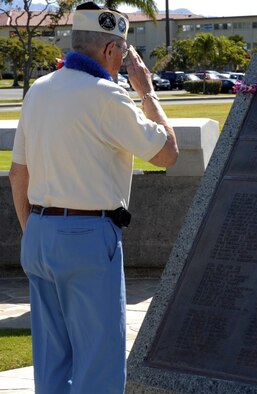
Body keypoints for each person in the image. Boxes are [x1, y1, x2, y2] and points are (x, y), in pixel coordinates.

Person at [8, 2, 178, 392]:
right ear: (109, 51)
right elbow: (167, 152)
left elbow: (19, 173)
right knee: (98, 366)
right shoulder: (107, 96)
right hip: (88, 237)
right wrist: (147, 93)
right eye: (123, 52)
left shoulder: (39, 90)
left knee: (51, 364)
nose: (123, 61)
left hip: (39, 233)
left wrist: (35, 231)